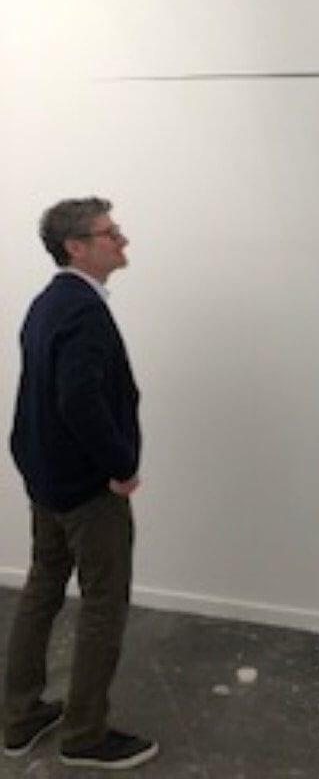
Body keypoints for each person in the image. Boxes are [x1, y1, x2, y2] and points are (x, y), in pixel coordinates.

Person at [2, 197, 158, 769]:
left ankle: (19, 716)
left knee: (42, 588)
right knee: (103, 604)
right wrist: (121, 466)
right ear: (76, 246)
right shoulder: (83, 311)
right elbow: (79, 401)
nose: (122, 240)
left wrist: (34, 465)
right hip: (86, 489)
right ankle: (86, 735)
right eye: (109, 233)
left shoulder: (49, 302)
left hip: (46, 479)